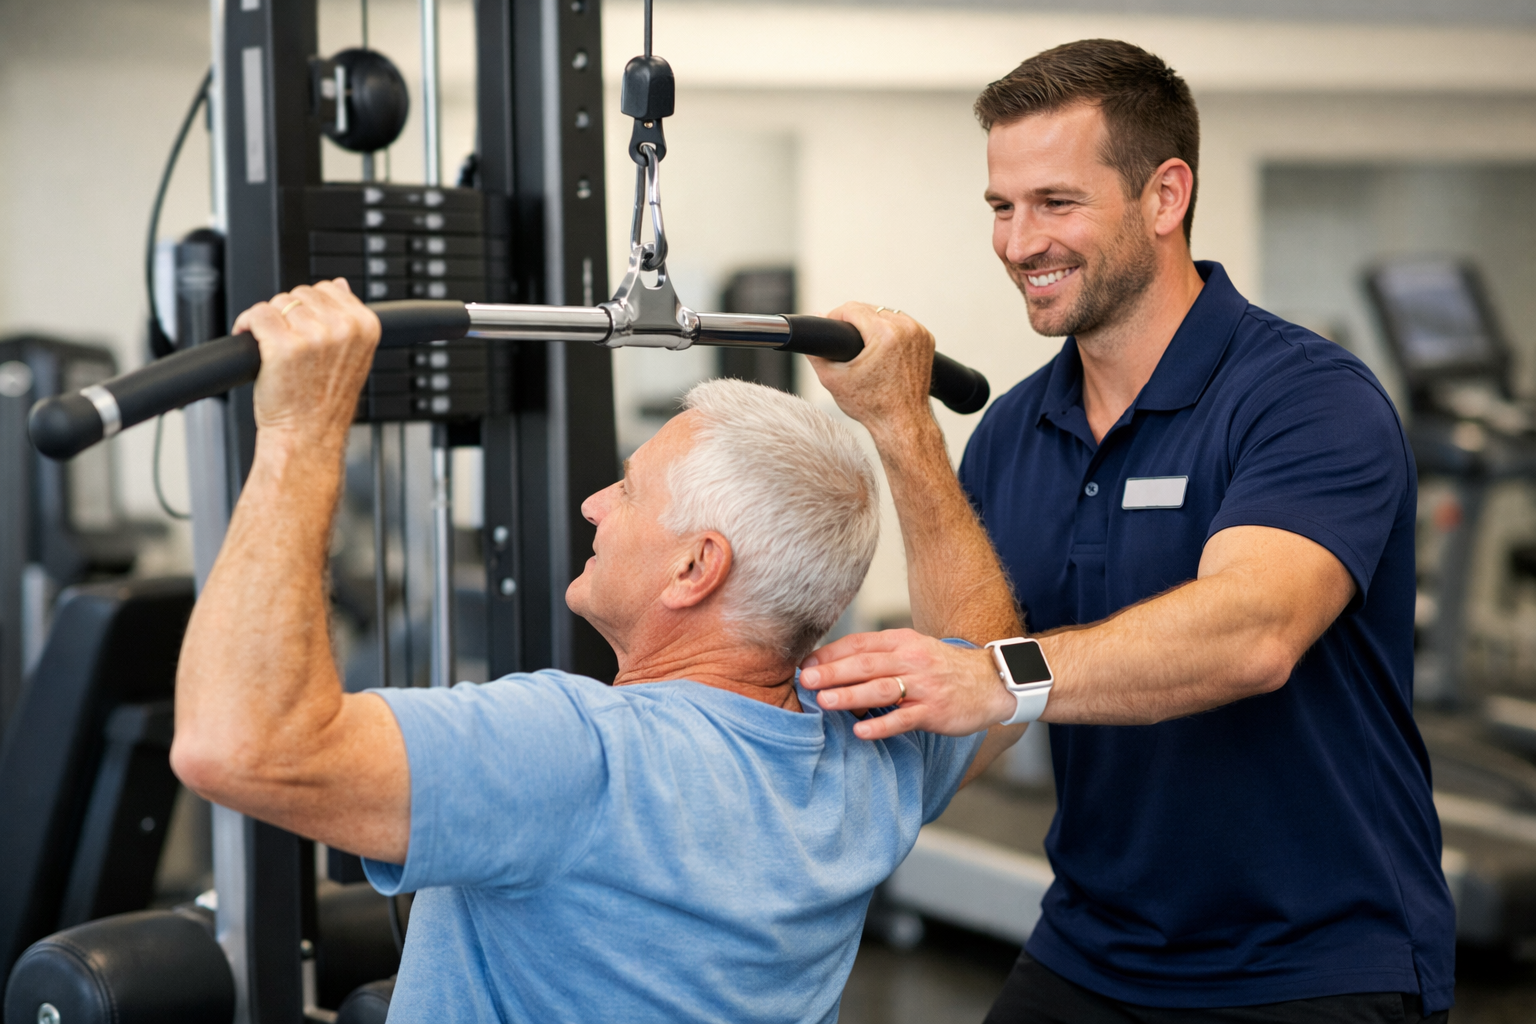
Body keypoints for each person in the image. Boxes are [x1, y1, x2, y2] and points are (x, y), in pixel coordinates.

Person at [799, 39, 1456, 1024]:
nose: (1020, 243)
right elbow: (967, 678)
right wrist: (903, 429)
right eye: (1001, 208)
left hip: (1316, 959)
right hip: (1092, 945)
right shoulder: (1018, 429)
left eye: (1056, 203)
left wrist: (993, 678)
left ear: (1164, 197)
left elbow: (1253, 633)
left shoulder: (1305, 398)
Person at [168, 280, 1009, 1023]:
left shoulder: (578, 752)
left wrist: (300, 426)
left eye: (630, 489)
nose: (594, 502)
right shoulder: (875, 753)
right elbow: (992, 663)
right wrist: (903, 422)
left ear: (695, 567)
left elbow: (233, 744)